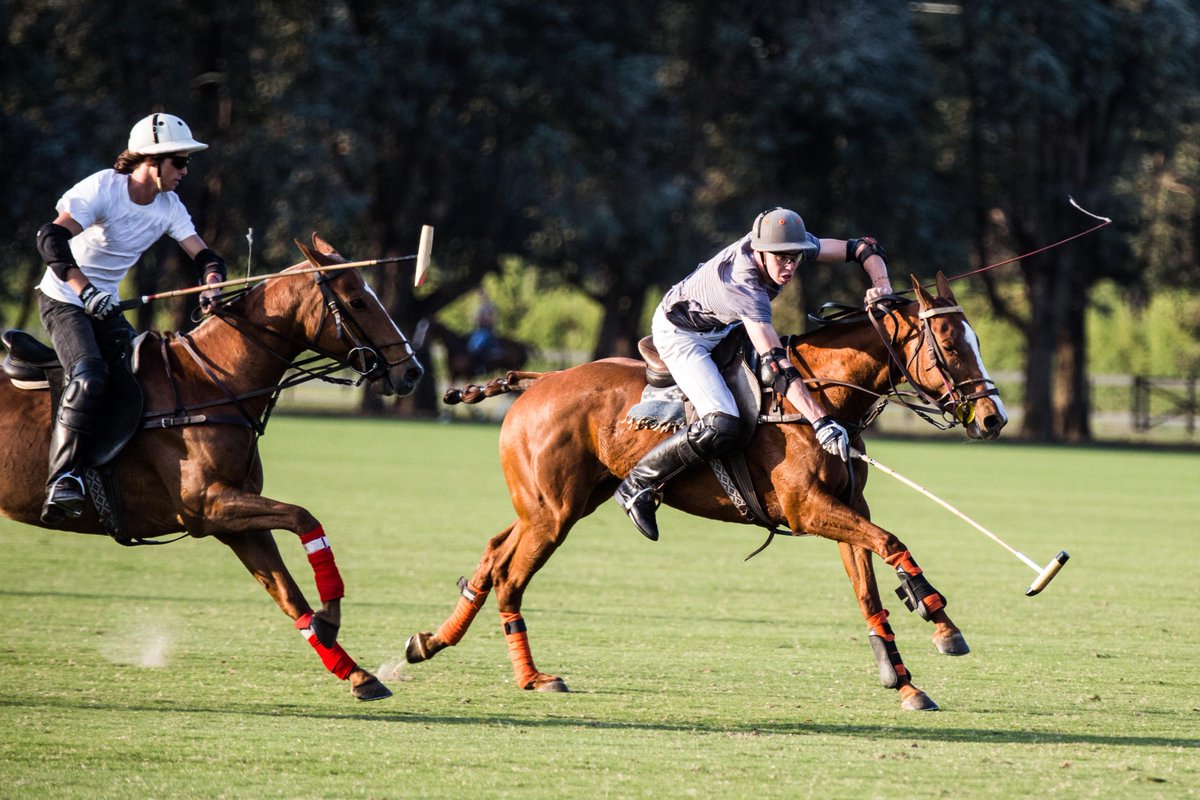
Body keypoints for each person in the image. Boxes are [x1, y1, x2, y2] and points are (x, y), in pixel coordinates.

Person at [614, 207, 893, 541]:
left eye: (795, 258)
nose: (789, 267)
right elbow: (777, 366)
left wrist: (882, 286)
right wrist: (820, 420)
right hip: (682, 334)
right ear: (760, 251)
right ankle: (638, 483)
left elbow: (863, 246)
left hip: (724, 325)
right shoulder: (744, 285)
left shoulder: (783, 245)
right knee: (722, 420)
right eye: (781, 259)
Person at [34, 112, 228, 524]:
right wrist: (85, 292)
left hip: (104, 305)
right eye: (179, 162)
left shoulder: (169, 206)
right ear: (150, 160)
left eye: (187, 163)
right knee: (89, 375)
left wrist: (211, 282)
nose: (185, 171)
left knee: (145, 375)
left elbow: (205, 255)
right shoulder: (105, 188)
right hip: (64, 299)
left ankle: (119, 473)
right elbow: (50, 238)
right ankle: (62, 479)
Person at [465, 291, 498, 375]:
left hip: (487, 329)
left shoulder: (489, 306)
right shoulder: (480, 307)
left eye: (482, 296)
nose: (480, 298)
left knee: (479, 345)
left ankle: (481, 367)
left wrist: (484, 319)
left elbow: (492, 319)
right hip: (480, 330)